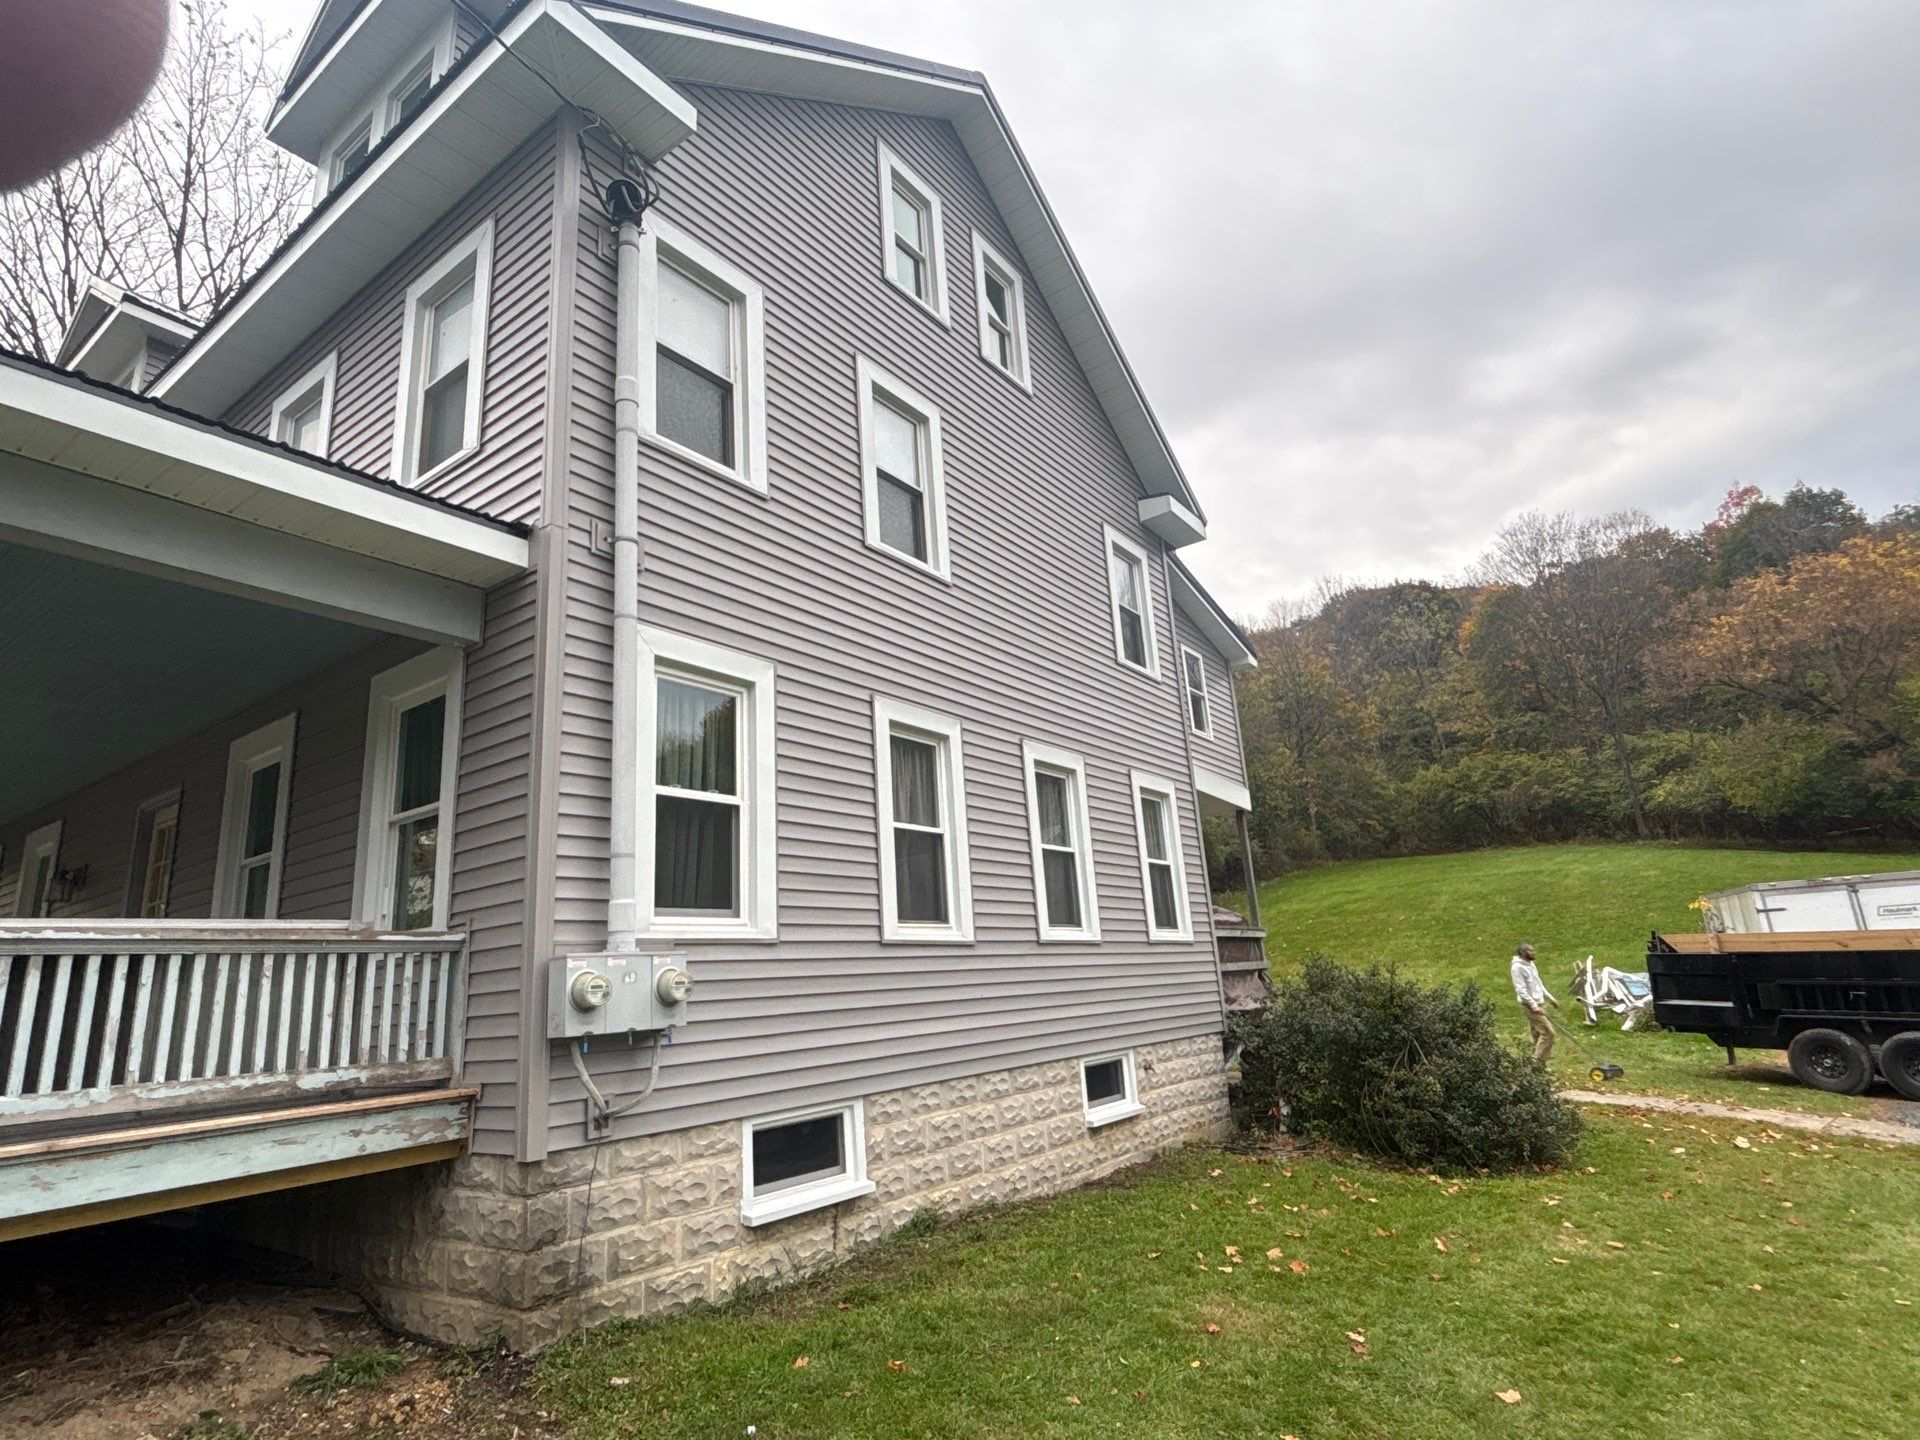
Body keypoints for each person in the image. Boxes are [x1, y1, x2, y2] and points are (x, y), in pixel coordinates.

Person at [1510, 942, 1559, 1064]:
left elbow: (1538, 983)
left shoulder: (1531, 964)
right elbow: (1521, 990)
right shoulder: (1517, 968)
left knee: (1536, 1034)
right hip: (1530, 1006)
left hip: (1539, 1004)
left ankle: (1538, 1063)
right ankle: (1535, 1064)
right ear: (1523, 953)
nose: (1534, 953)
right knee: (1548, 1034)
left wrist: (1550, 999)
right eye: (1530, 951)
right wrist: (1533, 1005)